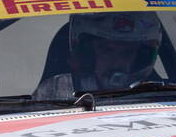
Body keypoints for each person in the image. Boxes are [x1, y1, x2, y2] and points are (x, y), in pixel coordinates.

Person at [34, 11, 163, 100]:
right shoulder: (54, 94)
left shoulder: (166, 100)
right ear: (86, 55)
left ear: (141, 58)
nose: (118, 62)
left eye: (127, 53)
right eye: (107, 50)